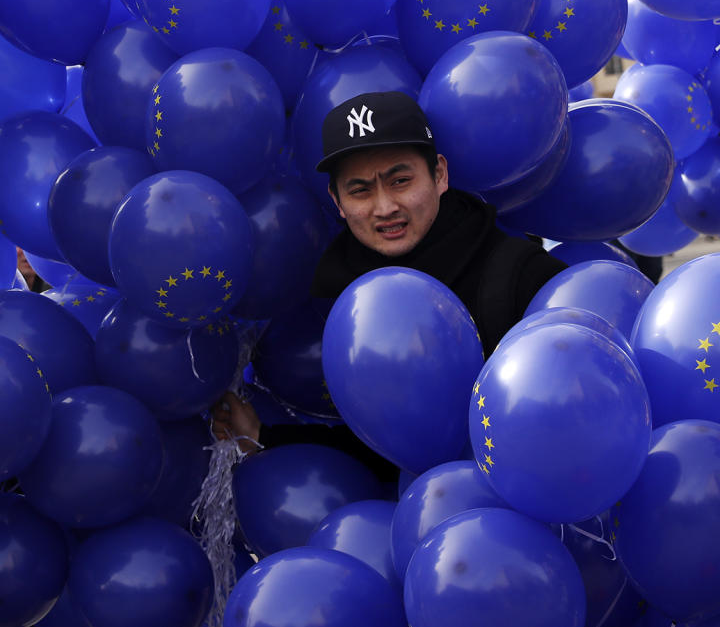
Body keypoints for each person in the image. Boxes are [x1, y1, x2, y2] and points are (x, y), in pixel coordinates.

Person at [213, 91, 568, 479]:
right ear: (337, 200)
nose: (384, 207)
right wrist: (265, 437)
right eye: (360, 189)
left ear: (439, 175)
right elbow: (387, 448)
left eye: (400, 181)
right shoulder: (338, 297)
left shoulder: (521, 275)